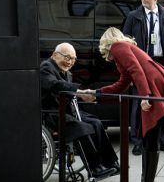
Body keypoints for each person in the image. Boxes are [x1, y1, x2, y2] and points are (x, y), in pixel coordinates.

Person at [94, 27, 164, 182]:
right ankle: (146, 179)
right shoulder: (124, 48)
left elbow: (136, 70)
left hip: (153, 85)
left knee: (151, 133)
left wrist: (145, 96)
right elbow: (122, 83)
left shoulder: (117, 47)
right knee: (149, 134)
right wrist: (97, 93)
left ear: (106, 43)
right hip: (156, 82)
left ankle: (147, 179)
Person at [40, 42, 119, 178]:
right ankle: (94, 169)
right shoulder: (46, 68)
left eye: (73, 59)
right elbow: (55, 85)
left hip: (67, 111)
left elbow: (70, 94)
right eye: (67, 57)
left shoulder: (66, 73)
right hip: (52, 114)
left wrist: (86, 97)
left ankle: (112, 163)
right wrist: (78, 91)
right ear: (55, 55)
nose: (70, 62)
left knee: (96, 122)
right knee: (81, 128)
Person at [122, 0, 164, 155]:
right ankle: (138, 141)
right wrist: (129, 72)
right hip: (140, 66)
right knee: (139, 103)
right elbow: (125, 45)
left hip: (162, 64)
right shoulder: (134, 16)